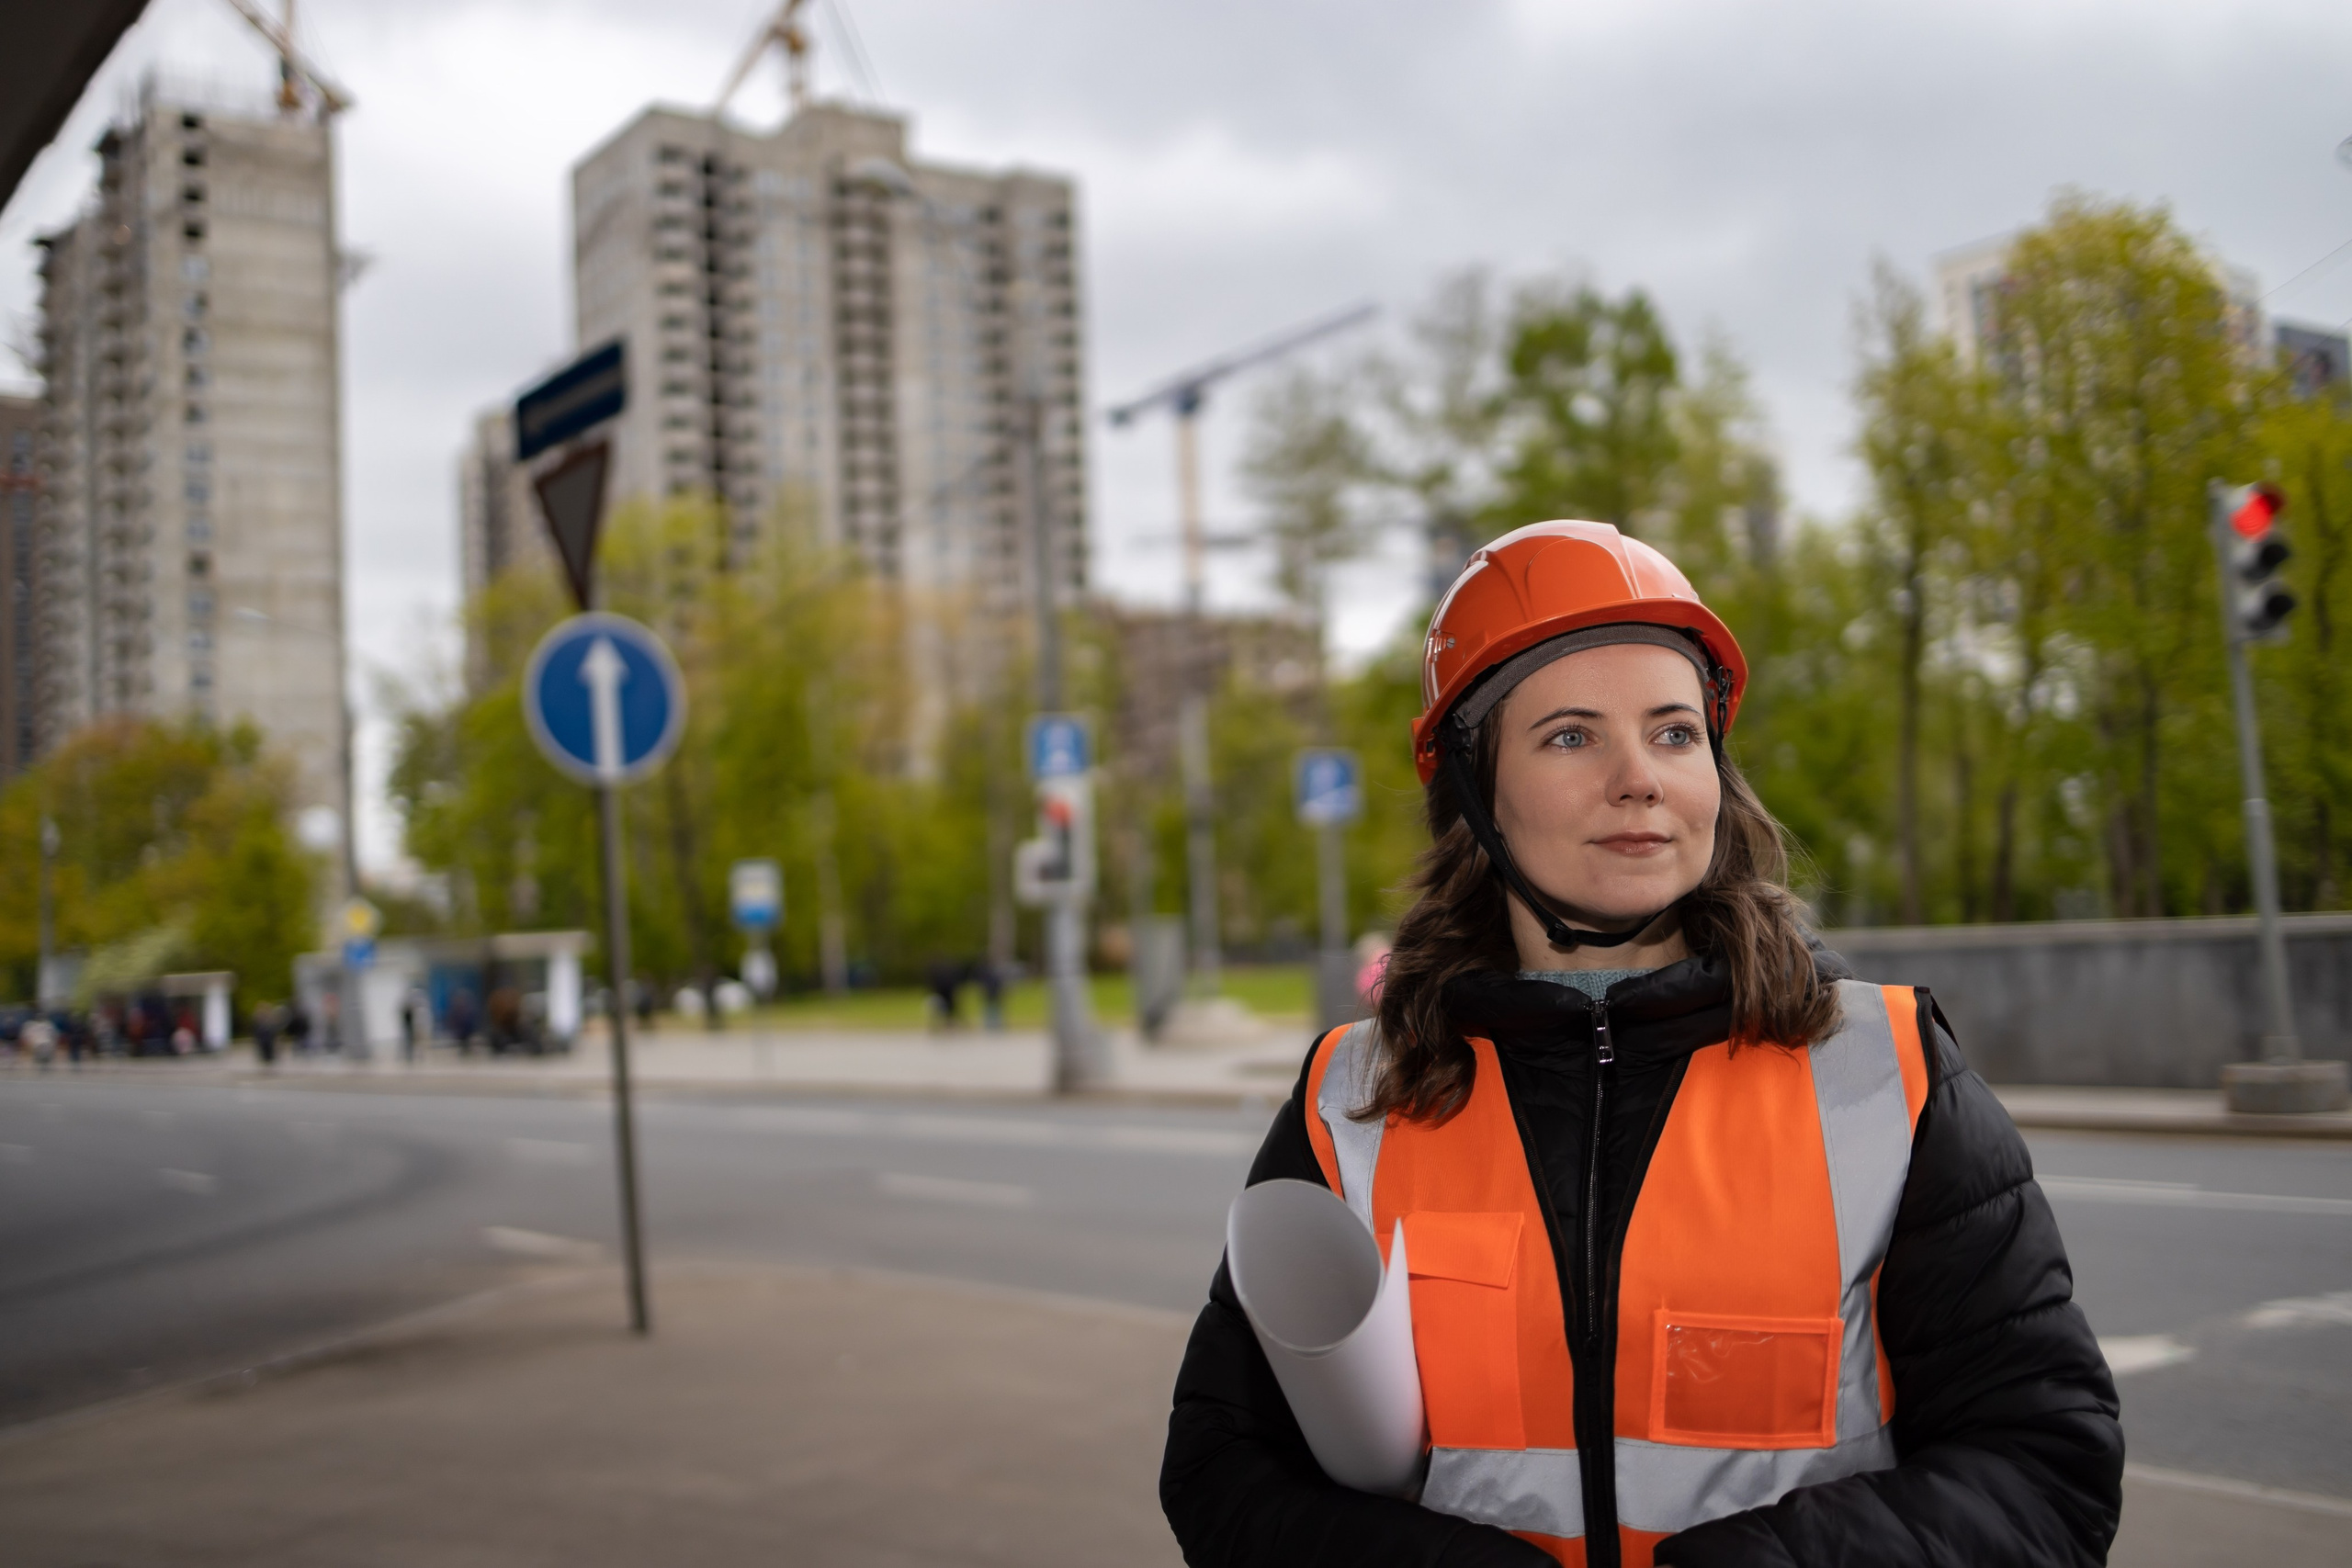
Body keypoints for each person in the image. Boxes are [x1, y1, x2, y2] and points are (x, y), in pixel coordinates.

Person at [1160, 522, 2121, 1568]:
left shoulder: (1889, 1069)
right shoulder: (1353, 1096)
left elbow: (2044, 1468)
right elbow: (1223, 1469)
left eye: (1672, 733)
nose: (1640, 778)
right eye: (1571, 736)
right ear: (1476, 796)